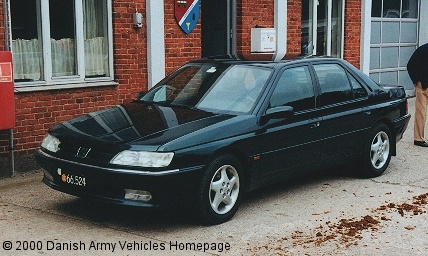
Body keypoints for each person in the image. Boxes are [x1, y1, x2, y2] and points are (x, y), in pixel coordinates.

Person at [407, 43, 428, 147]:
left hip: (423, 84)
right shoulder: (422, 50)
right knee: (421, 113)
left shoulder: (422, 49)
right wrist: (416, 81)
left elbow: (410, 65)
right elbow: (410, 65)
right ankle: (418, 139)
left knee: (421, 113)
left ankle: (419, 139)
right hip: (422, 87)